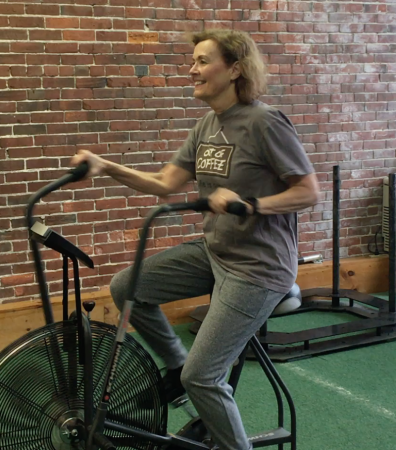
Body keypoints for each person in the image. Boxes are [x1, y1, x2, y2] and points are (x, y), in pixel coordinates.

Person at [71, 29, 319, 450]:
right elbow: (165, 183)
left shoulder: (264, 122)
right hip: (215, 252)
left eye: (203, 61)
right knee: (126, 285)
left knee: (203, 377)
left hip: (258, 267)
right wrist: (106, 165)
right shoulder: (207, 124)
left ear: (235, 69)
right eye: (194, 61)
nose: (192, 69)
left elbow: (308, 191)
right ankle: (176, 360)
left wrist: (249, 205)